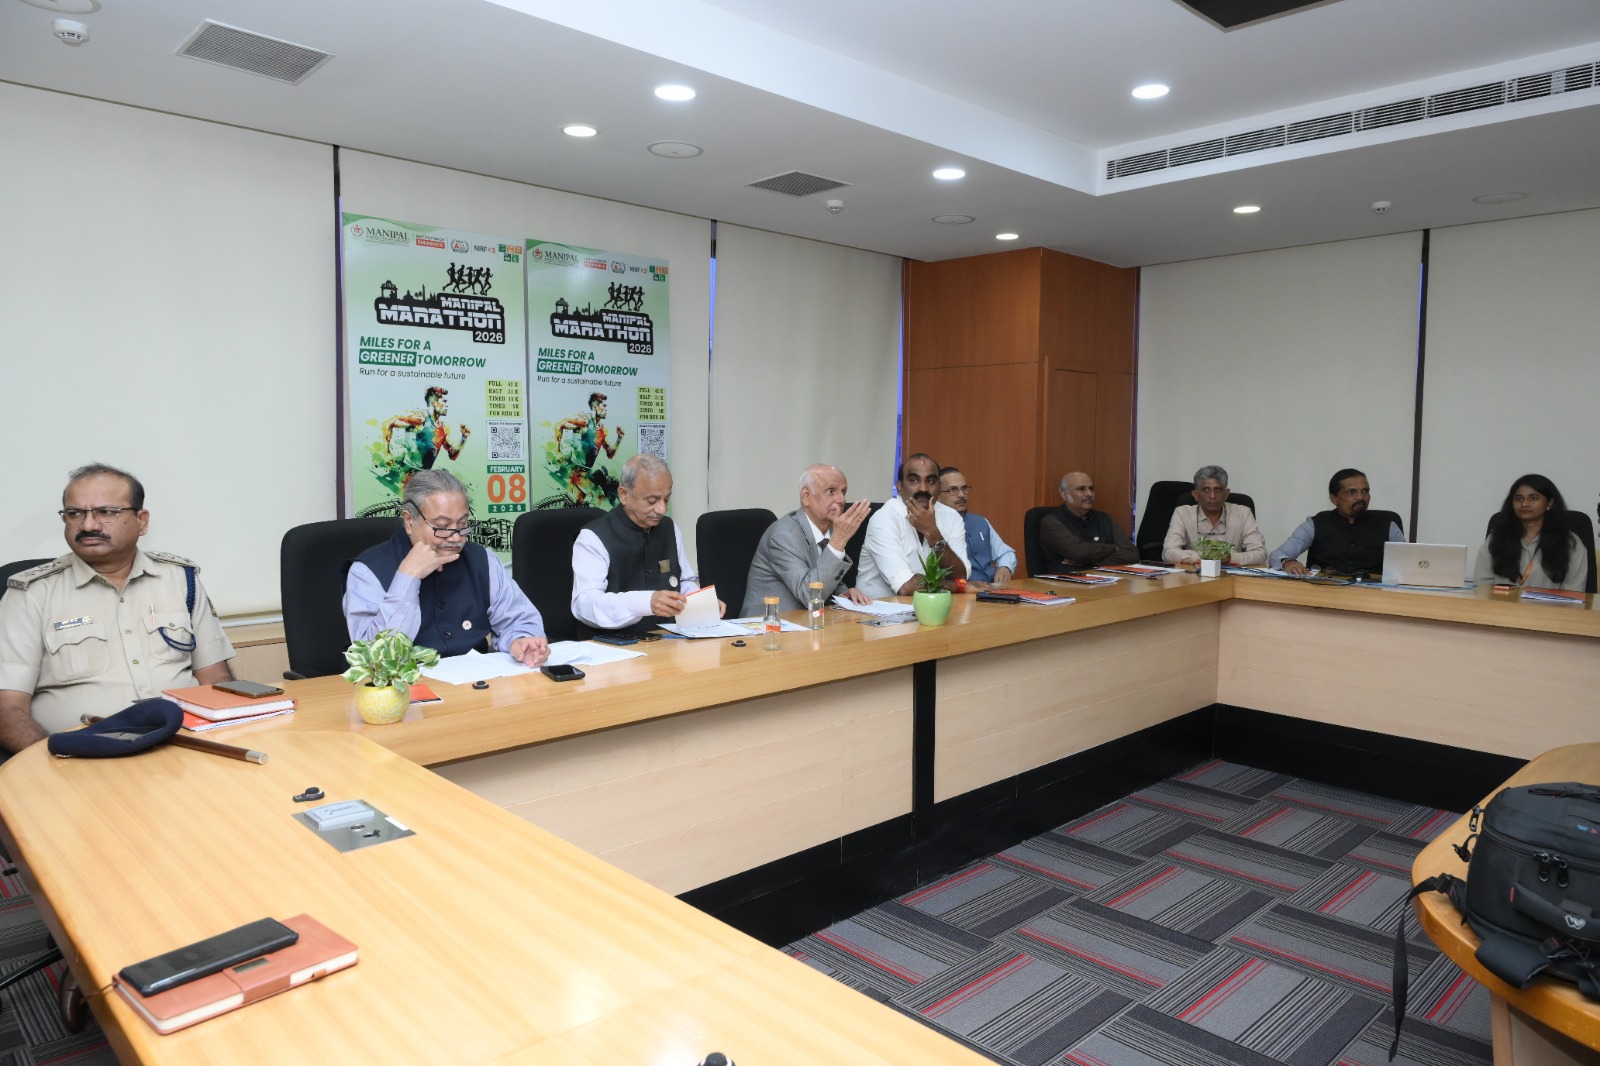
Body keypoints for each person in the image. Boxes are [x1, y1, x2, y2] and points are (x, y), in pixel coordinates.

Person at [0, 463, 235, 752]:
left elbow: (215, 679)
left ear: (142, 521)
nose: (88, 525)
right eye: (75, 514)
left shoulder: (181, 579)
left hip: (185, 746)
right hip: (82, 755)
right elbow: (7, 709)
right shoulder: (32, 594)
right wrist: (49, 764)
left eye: (106, 512)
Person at [344, 469, 549, 665]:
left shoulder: (483, 561)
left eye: (462, 524)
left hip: (475, 680)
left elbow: (518, 619)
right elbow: (372, 657)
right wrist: (407, 578)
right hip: (405, 685)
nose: (455, 537)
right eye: (442, 527)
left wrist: (521, 641)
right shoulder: (367, 571)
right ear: (409, 521)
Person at [571, 454, 721, 634]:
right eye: (652, 501)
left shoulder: (670, 528)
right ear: (624, 495)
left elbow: (682, 582)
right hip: (613, 643)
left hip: (667, 638)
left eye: (666, 499)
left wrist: (701, 602)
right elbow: (585, 604)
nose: (662, 509)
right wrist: (645, 603)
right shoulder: (593, 538)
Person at [742, 465, 874, 614]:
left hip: (807, 622)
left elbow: (824, 577)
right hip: (767, 624)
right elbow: (810, 596)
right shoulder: (784, 536)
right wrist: (838, 542)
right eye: (831, 491)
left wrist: (845, 593)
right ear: (806, 496)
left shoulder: (831, 530)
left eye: (843, 492)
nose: (841, 500)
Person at [857, 453, 969, 598]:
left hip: (929, 606)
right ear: (899, 486)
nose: (923, 488)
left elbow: (960, 574)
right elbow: (906, 587)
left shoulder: (951, 517)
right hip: (878, 609)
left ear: (939, 487)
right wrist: (958, 586)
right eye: (914, 480)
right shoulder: (884, 519)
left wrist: (933, 533)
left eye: (930, 481)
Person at [1269, 468, 1404, 576]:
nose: (1360, 497)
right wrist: (1288, 563)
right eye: (1351, 492)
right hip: (1324, 591)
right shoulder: (1316, 524)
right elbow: (1277, 555)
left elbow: (1407, 565)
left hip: (1374, 593)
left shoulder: (1388, 525)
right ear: (1334, 498)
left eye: (1365, 491)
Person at [1473, 474, 1588, 592]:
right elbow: (1482, 585)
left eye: (1533, 498)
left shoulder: (1570, 543)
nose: (1524, 504)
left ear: (1549, 503)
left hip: (1551, 604)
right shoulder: (1496, 539)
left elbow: (1574, 591)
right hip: (1501, 603)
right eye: (1519, 499)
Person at [1162, 465, 1267, 566]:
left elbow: (1260, 554)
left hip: (1232, 576)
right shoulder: (1182, 513)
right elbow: (1169, 552)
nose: (1212, 496)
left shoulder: (1243, 513)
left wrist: (1230, 558)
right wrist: (1207, 556)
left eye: (1218, 490)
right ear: (1196, 495)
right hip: (1193, 575)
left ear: (1226, 494)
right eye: (1206, 490)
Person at [1039, 471, 1138, 571]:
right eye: (1081, 489)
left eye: (1091, 489)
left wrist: (1088, 563)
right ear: (1064, 495)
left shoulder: (1106, 519)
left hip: (1105, 578)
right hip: (1067, 579)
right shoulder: (1051, 522)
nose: (1089, 494)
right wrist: (1113, 548)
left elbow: (1132, 555)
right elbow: (1079, 552)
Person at [938, 467, 1016, 586]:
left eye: (964, 488)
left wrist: (1005, 567)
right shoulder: (934, 528)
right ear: (938, 496)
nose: (961, 495)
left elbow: (1006, 553)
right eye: (953, 490)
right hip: (961, 591)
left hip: (991, 588)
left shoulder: (981, 522)